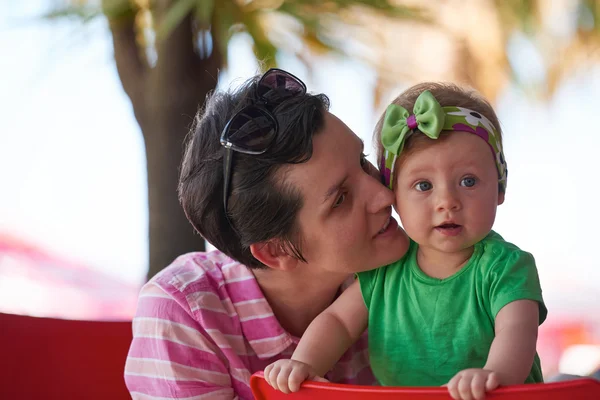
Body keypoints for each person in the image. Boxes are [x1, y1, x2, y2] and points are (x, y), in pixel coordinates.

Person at [123, 68, 411, 399]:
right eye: (341, 199)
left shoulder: (425, 270)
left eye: (362, 161)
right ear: (276, 251)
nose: (385, 195)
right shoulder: (185, 312)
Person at [264, 83, 548, 400]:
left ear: (499, 189)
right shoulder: (388, 269)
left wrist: (495, 375)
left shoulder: (506, 267)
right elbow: (339, 321)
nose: (447, 201)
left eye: (468, 181)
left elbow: (516, 332)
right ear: (395, 198)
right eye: (423, 185)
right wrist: (303, 363)